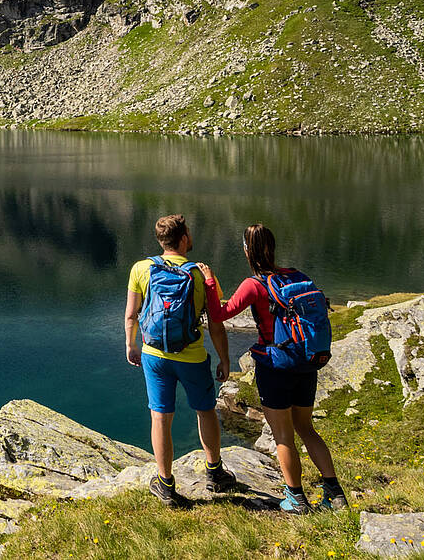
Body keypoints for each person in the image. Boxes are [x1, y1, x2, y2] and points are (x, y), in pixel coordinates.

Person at [211, 224, 348, 513]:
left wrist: (210, 282)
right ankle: (335, 494)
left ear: (247, 251)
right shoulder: (298, 276)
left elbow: (220, 314)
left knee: (283, 436)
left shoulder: (254, 284)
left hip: (275, 365)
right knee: (306, 428)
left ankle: (296, 499)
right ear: (272, 247)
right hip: (306, 362)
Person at [126, 214, 239, 508]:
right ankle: (215, 473)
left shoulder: (141, 268)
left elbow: (131, 314)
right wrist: (225, 359)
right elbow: (216, 322)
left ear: (161, 240)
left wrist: (130, 345)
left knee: (160, 417)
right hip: (192, 356)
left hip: (154, 356)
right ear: (184, 238)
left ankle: (165, 484)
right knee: (205, 411)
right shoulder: (201, 274)